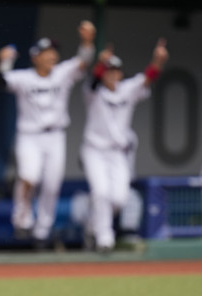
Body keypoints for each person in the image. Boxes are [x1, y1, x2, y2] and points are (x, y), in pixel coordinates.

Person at [0, 21, 96, 248]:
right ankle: (22, 220)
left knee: (51, 184)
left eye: (53, 52)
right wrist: (4, 61)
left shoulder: (62, 73)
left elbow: (84, 61)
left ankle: (42, 230)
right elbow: (2, 82)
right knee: (29, 176)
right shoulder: (24, 77)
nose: (52, 55)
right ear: (35, 57)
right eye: (46, 52)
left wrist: (87, 41)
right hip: (29, 136)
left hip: (55, 135)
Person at [81, 39, 169, 252]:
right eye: (108, 71)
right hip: (94, 150)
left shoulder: (127, 89)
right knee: (101, 192)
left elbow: (149, 77)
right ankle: (105, 239)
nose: (112, 74)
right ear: (103, 73)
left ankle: (92, 227)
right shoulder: (93, 92)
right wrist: (101, 62)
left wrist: (158, 60)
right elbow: (93, 79)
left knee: (119, 199)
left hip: (117, 153)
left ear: (120, 74)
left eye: (116, 71)